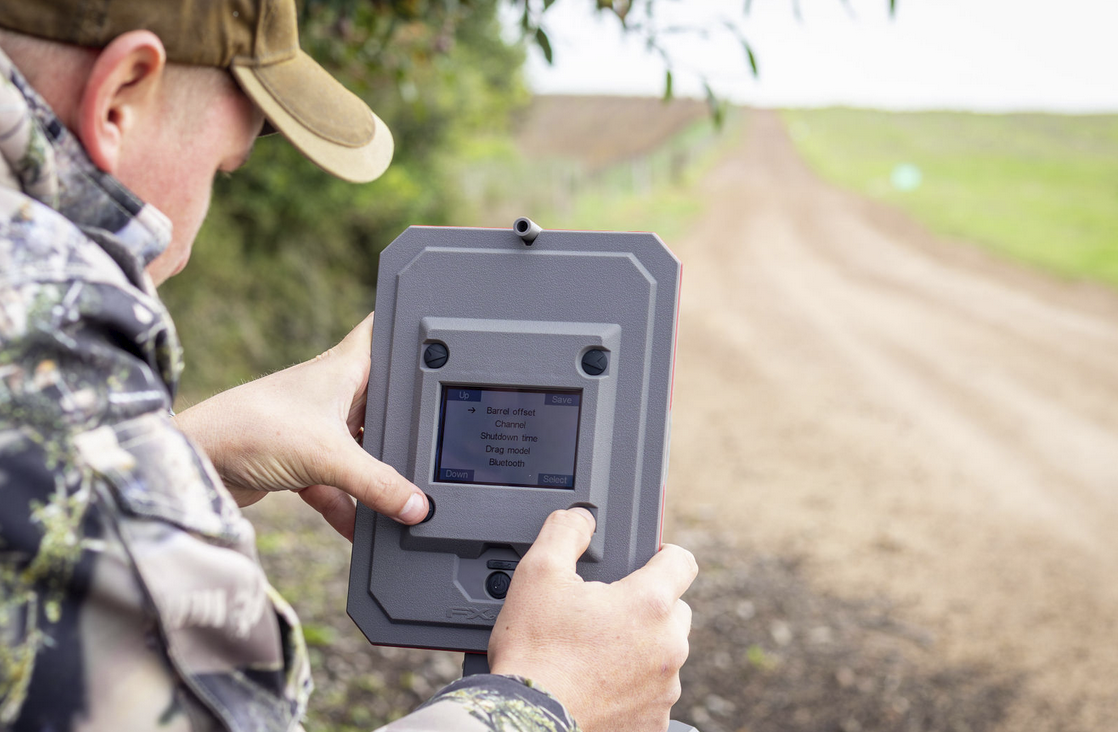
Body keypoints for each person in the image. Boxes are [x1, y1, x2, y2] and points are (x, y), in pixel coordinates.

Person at [0, 1, 697, 731]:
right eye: (223, 168)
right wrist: (542, 702)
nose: (194, 236)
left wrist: (175, 461)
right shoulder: (46, 336)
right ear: (118, 99)